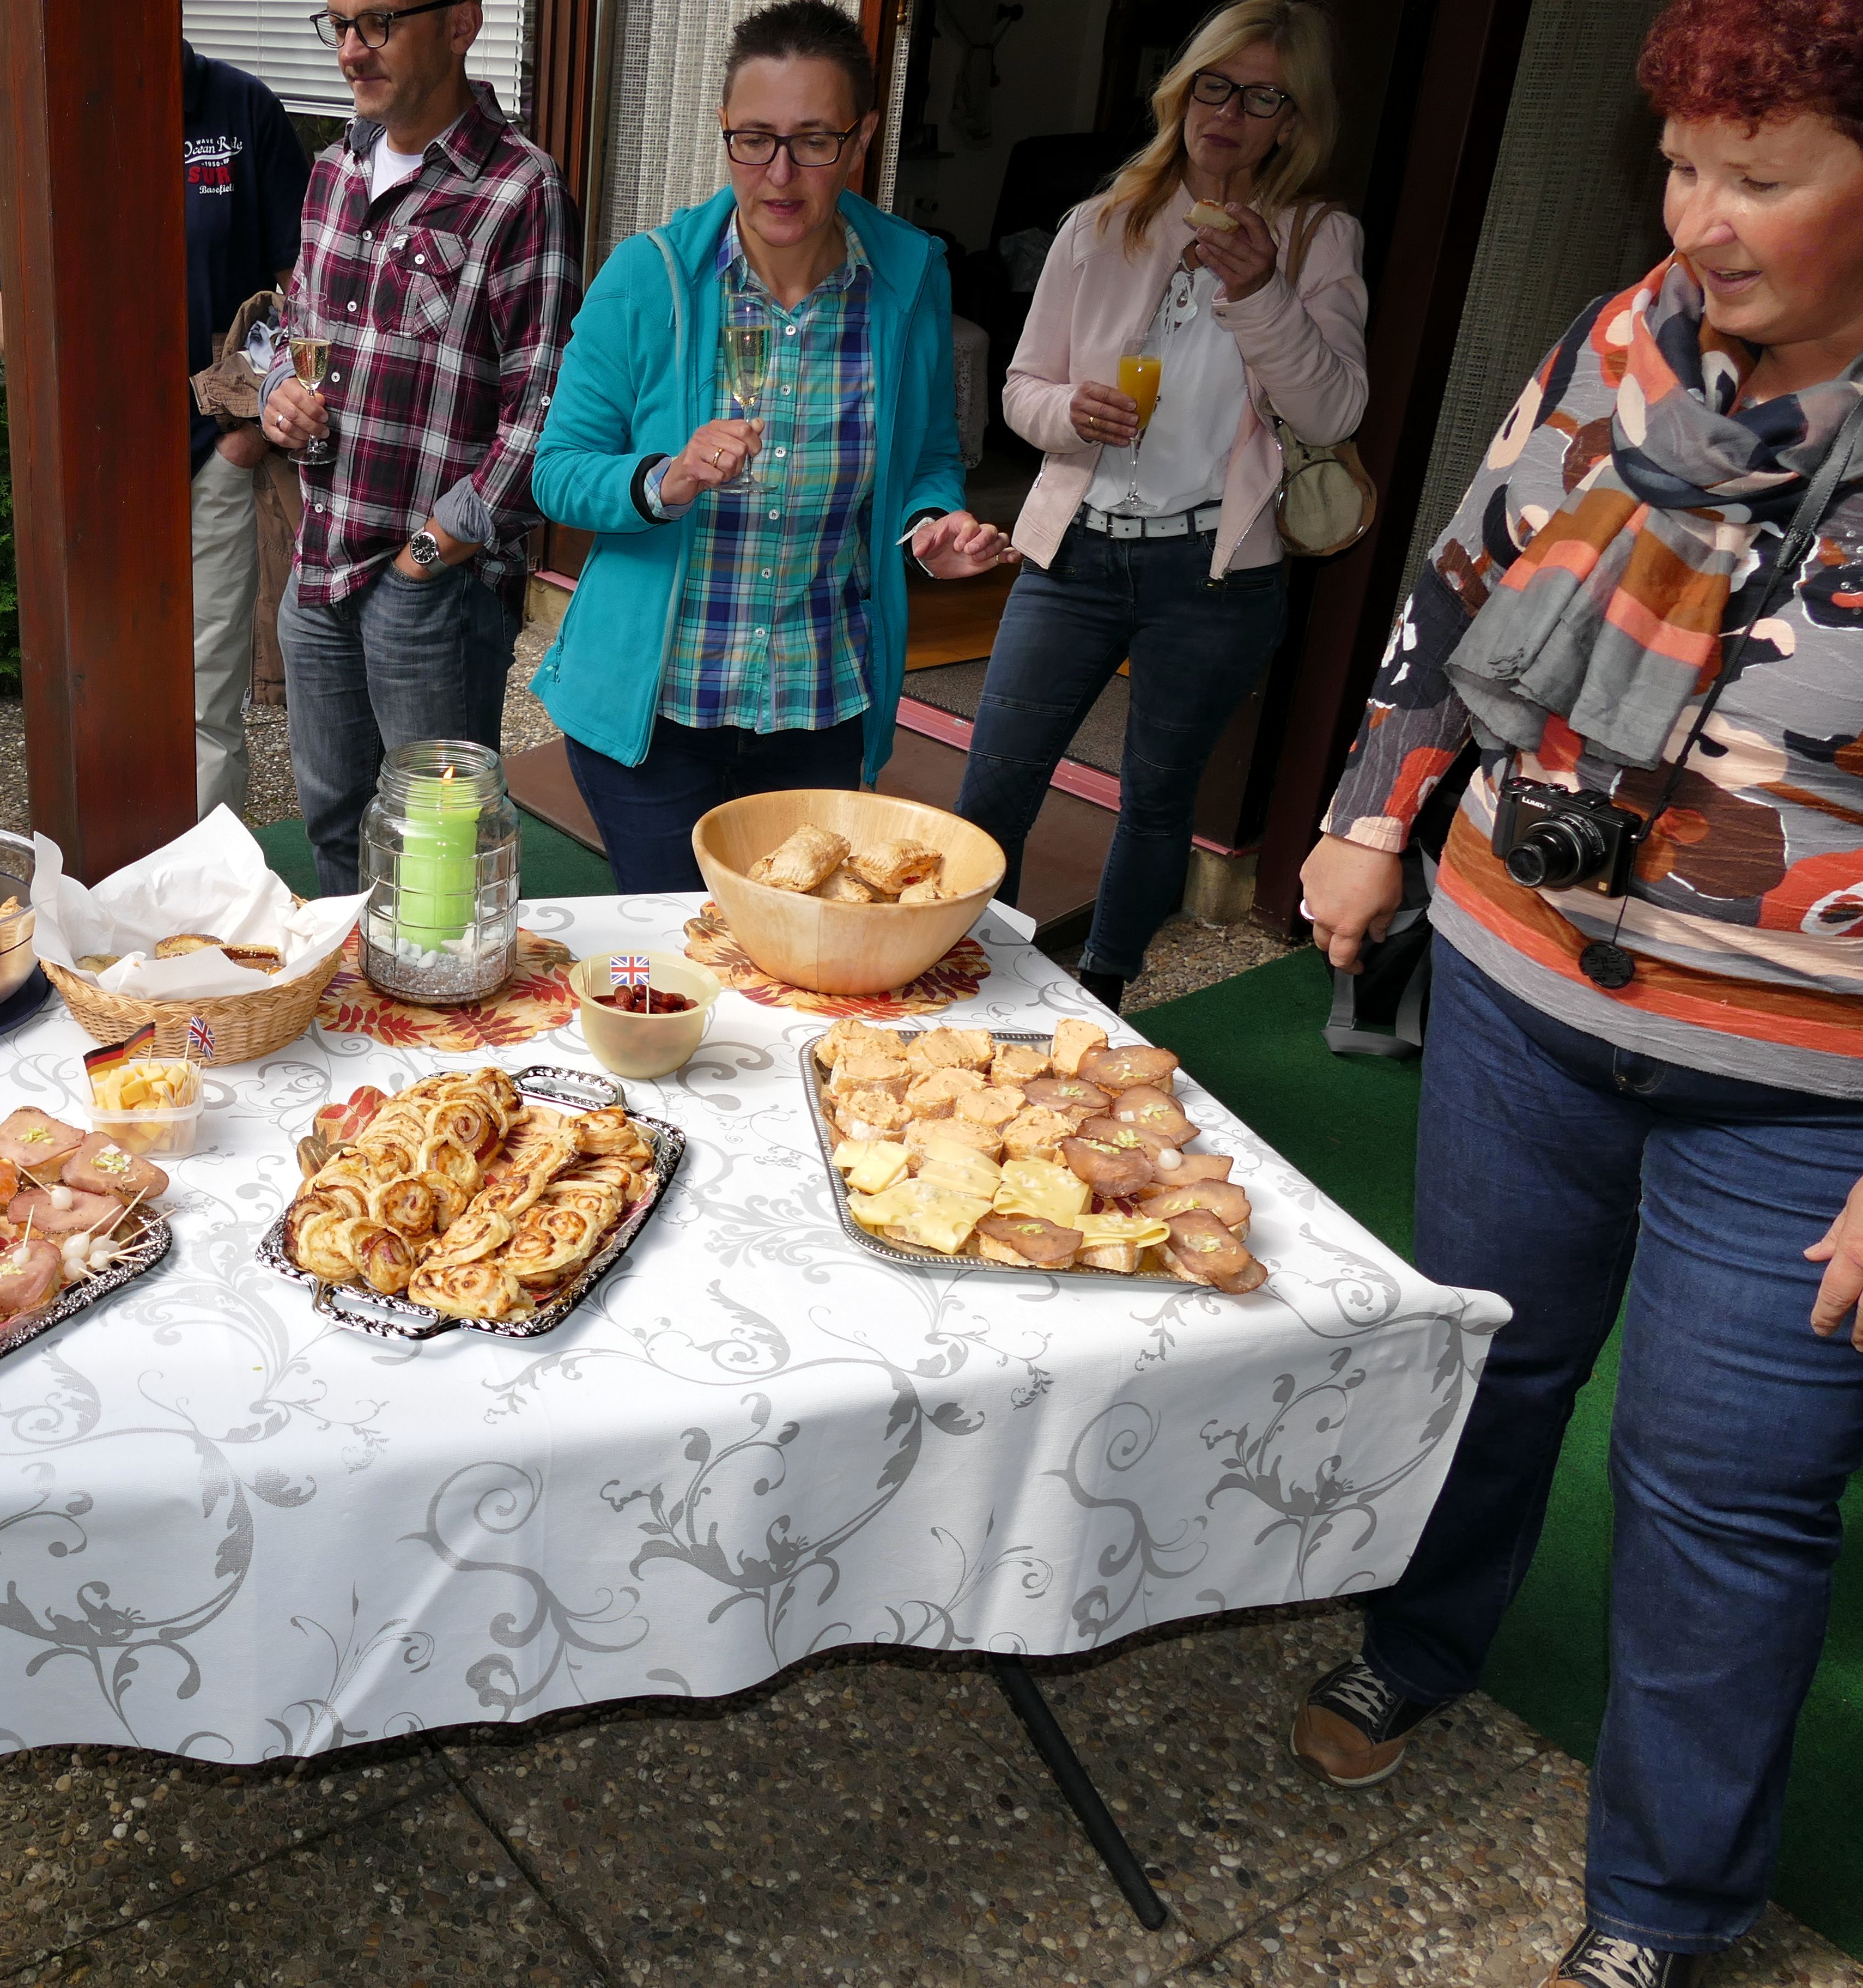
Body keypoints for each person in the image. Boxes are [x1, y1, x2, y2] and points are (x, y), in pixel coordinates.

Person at [1290, 2, 1863, 1980]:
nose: (1700, 217)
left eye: (1761, 176)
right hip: (1521, 982)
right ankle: (1418, 1638)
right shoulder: (1624, 338)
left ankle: (1664, 1905)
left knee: (1726, 1494)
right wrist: (1373, 810)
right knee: (1491, 1360)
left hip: (1804, 1087)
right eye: (1685, 165)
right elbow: (1464, 573)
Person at [529, 1, 1011, 891]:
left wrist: (932, 523)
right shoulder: (648, 278)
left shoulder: (909, 279)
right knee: (681, 951)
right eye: (754, 140)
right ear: (724, 130)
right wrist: (665, 478)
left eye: (814, 140)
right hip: (657, 711)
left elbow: (930, 457)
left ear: (862, 139)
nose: (779, 174)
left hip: (818, 706)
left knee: (796, 950)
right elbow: (556, 473)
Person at [955, 0, 1364, 1010]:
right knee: (996, 781)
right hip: (1074, 553)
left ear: (1293, 122)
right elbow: (1022, 389)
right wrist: (1069, 412)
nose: (1229, 113)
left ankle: (1104, 998)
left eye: (1263, 98)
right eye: (1215, 86)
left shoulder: (1316, 238)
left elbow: (1335, 408)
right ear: (1182, 94)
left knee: (1157, 799)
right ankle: (968, 979)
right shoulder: (1101, 225)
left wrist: (1262, 293)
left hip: (1214, 575)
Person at [258, 0, 579, 895]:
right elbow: (296, 328)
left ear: (460, 24)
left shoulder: (520, 189)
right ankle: (355, 986)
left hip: (433, 587)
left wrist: (429, 556)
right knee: (332, 828)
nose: (351, 51)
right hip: (321, 563)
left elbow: (544, 409)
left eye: (378, 23)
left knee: (439, 855)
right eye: (338, 25)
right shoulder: (333, 171)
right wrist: (281, 391)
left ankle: (445, 993)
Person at [0, 42, 309, 822]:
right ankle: (104, 885)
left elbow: (302, 283)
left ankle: (199, 890)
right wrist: (62, 413)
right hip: (93, 466)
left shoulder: (240, 107)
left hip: (215, 453)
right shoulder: (54, 111)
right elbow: (3, 289)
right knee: (94, 693)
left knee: (204, 705)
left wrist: (246, 436)